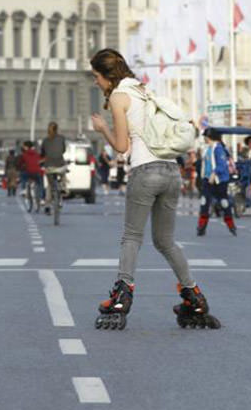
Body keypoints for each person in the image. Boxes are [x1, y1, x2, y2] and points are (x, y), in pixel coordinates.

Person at [89, 48, 219, 330]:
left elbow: (123, 147)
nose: (96, 82)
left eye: (96, 77)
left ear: (108, 76)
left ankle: (122, 294)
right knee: (165, 241)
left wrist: (102, 130)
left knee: (132, 236)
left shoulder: (119, 98)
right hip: (171, 172)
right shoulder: (145, 91)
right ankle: (193, 296)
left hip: (145, 171)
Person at [196, 128, 236, 236]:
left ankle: (231, 224)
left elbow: (222, 165)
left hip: (219, 181)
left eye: (205, 137)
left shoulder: (218, 148)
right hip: (207, 180)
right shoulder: (207, 148)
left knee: (223, 202)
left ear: (209, 137)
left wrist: (214, 174)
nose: (204, 138)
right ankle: (201, 227)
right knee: (204, 202)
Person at [41, 121, 67, 213]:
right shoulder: (61, 138)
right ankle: (63, 187)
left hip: (49, 166)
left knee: (49, 185)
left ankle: (47, 204)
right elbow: (63, 150)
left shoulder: (45, 140)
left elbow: (42, 153)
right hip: (60, 164)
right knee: (64, 172)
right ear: (57, 129)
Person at [17, 140, 44, 208]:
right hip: (37, 172)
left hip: (28, 172)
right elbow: (41, 160)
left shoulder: (24, 155)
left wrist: (19, 168)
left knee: (23, 175)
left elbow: (20, 164)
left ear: (26, 147)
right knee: (40, 184)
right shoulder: (37, 154)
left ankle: (24, 188)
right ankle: (41, 198)